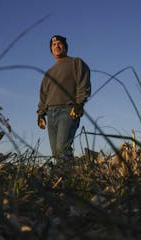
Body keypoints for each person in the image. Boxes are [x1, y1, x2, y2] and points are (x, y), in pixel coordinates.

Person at [37, 35, 91, 163]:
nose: (56, 46)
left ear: (65, 47)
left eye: (59, 43)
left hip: (68, 110)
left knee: (62, 150)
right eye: (53, 44)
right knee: (56, 153)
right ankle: (63, 180)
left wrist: (79, 104)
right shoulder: (49, 72)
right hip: (50, 114)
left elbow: (83, 83)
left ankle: (67, 180)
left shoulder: (76, 62)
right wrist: (40, 114)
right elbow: (43, 95)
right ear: (51, 49)